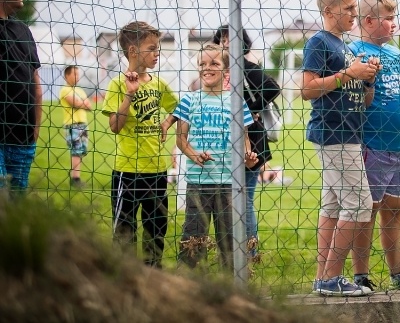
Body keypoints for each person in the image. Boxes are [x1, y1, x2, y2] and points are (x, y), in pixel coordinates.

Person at [301, 0, 380, 297]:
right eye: (348, 8)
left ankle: (323, 276)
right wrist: (350, 74)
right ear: (329, 9)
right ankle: (331, 279)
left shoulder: (343, 46)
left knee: (333, 205)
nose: (354, 13)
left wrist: (368, 80)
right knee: (359, 204)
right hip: (333, 134)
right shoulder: (319, 43)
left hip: (349, 134)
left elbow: (364, 100)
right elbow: (307, 89)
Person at [349, 0, 400, 291]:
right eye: (388, 19)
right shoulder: (354, 52)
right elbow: (357, 102)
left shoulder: (394, 52)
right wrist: (368, 82)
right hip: (373, 144)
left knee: (395, 208)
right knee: (367, 210)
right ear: (368, 21)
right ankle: (361, 274)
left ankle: (397, 273)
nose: (393, 24)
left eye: (394, 17)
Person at [102, 21, 179, 267]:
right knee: (124, 231)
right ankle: (126, 276)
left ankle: (152, 274)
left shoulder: (159, 85)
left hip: (156, 171)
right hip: (127, 171)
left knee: (156, 228)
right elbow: (115, 126)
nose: (157, 54)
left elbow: (179, 108)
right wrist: (129, 95)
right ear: (133, 51)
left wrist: (167, 123)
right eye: (152, 49)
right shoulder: (116, 85)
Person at [173, 44, 257, 268]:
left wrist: (248, 157)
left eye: (214, 64)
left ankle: (232, 290)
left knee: (229, 243)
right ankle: (185, 287)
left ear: (227, 71)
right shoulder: (189, 101)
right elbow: (180, 139)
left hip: (230, 184)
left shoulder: (237, 102)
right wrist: (193, 154)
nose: (207, 68)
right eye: (202, 64)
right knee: (193, 240)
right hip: (199, 183)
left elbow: (245, 139)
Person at [211, 25, 281, 255]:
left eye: (231, 38)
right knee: (225, 201)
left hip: (252, 142)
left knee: (244, 200)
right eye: (222, 38)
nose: (226, 42)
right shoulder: (217, 70)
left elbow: (273, 88)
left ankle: (249, 253)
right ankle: (231, 250)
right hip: (222, 143)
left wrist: (248, 110)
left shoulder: (247, 68)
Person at [0, 0, 42, 196]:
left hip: (23, 138)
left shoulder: (23, 31)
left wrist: (35, 128)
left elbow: (35, 80)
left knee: (16, 207)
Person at [59, 65, 92, 188]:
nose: (77, 77)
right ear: (67, 75)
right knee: (76, 151)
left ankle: (76, 177)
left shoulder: (80, 90)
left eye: (78, 74)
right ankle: (75, 179)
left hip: (83, 124)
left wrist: (81, 103)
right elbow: (76, 103)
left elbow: (89, 106)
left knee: (81, 151)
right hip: (72, 125)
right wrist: (82, 102)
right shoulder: (65, 90)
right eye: (75, 74)